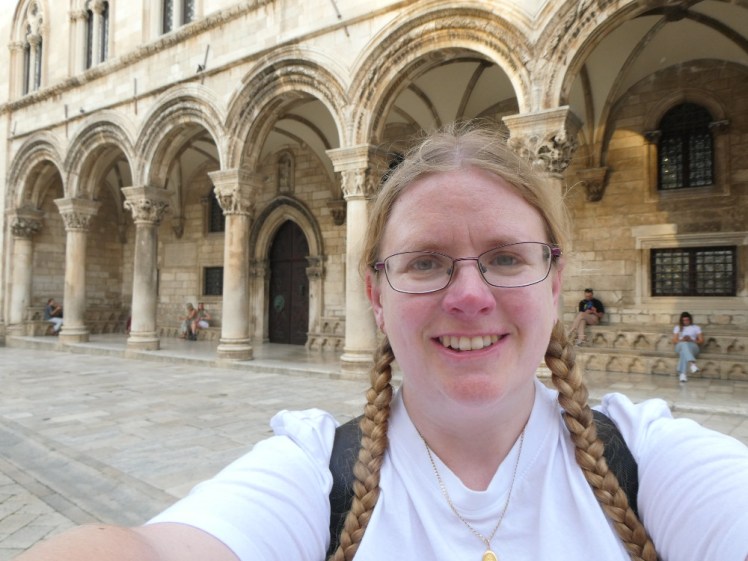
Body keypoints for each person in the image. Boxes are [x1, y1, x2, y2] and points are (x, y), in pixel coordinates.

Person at [14, 124, 748, 561]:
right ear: (374, 292)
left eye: (507, 256)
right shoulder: (312, 472)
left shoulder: (647, 460)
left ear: (556, 282)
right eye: (425, 261)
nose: (469, 294)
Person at [672, 311, 704, 383]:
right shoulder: (677, 327)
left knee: (684, 352)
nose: (686, 322)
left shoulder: (696, 327)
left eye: (687, 320)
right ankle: (692, 364)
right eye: (684, 320)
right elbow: (674, 340)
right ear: (681, 320)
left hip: (693, 346)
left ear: (690, 320)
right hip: (680, 345)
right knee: (684, 344)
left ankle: (683, 375)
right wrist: (682, 340)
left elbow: (701, 340)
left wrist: (692, 340)